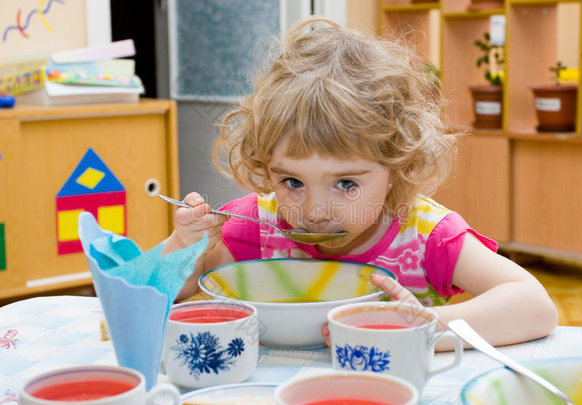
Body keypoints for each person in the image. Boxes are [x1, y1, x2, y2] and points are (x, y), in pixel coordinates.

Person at [162, 16, 558, 350]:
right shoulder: (254, 225)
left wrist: (418, 329)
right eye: (292, 182)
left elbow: (535, 307)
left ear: (398, 165)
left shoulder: (425, 237)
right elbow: (163, 293)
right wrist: (184, 247)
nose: (315, 212)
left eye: (346, 184)